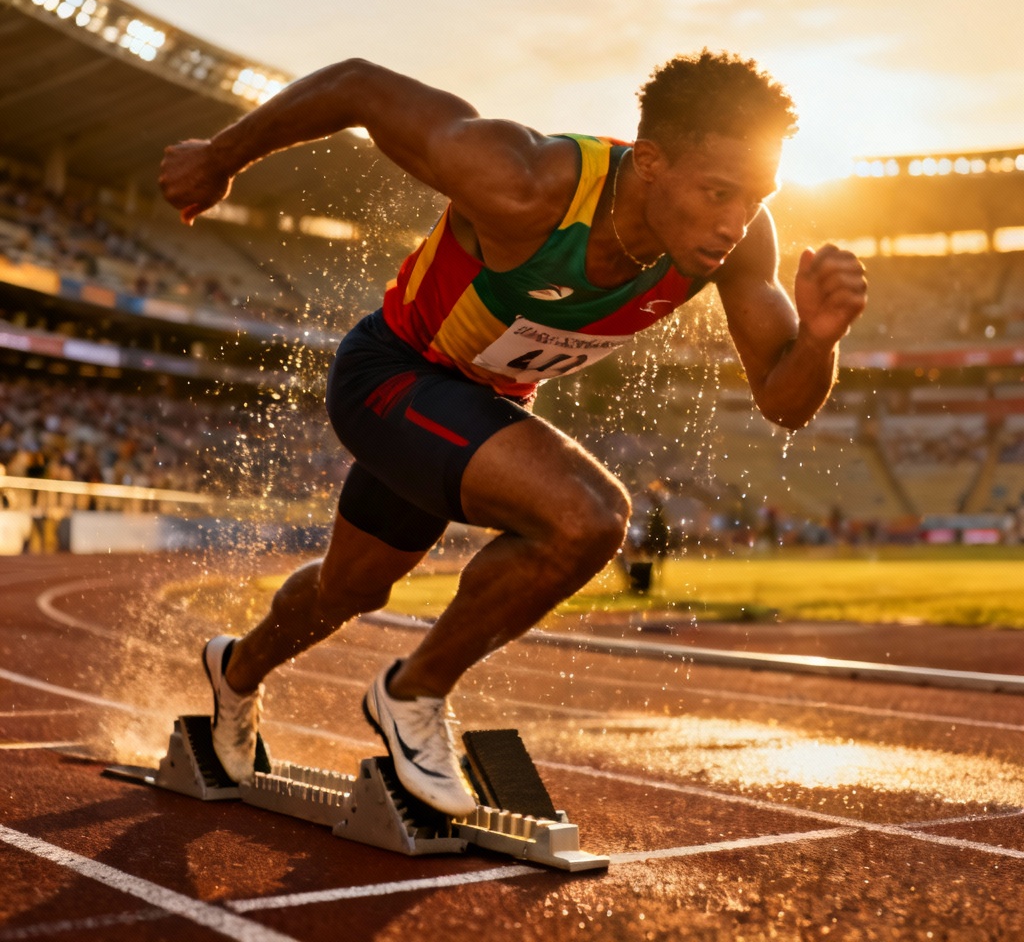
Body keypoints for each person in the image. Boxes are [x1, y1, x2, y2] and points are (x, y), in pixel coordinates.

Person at [159, 50, 867, 816]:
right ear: (651, 162)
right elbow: (358, 85)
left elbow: (784, 403)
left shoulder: (736, 243)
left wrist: (821, 340)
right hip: (393, 376)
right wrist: (218, 156)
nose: (736, 222)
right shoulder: (525, 181)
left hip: (484, 406)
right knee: (588, 516)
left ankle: (235, 673)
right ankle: (411, 693)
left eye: (756, 197)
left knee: (350, 587)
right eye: (719, 193)